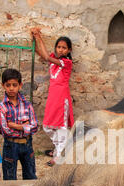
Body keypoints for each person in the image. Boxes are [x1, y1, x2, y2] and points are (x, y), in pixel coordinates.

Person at [30, 28, 74, 166]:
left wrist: (39, 36)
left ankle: (59, 156)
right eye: (58, 47)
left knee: (61, 126)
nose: (61, 50)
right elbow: (42, 55)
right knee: (48, 126)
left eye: (64, 48)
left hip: (62, 97)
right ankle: (60, 148)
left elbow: (47, 57)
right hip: (53, 97)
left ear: (69, 50)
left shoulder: (67, 63)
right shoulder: (54, 63)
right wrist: (34, 42)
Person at [0, 68, 38, 180]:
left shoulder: (27, 105)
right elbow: (6, 131)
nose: (11, 88)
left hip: (27, 144)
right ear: (3, 85)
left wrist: (15, 126)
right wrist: (25, 126)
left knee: (31, 176)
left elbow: (35, 127)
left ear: (20, 85)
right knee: (10, 178)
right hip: (10, 145)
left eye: (14, 85)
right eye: (8, 85)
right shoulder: (1, 107)